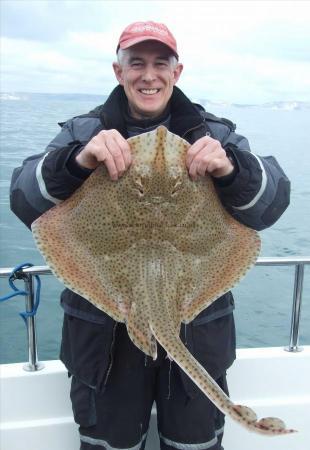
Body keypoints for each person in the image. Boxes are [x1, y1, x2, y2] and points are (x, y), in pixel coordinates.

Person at [10, 21, 290, 450]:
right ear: (118, 71)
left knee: (195, 444)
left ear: (177, 72)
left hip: (199, 328)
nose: (148, 74)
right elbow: (24, 199)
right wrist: (76, 161)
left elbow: (272, 202)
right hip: (102, 343)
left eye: (161, 63)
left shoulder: (218, 136)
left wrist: (232, 168)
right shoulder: (80, 134)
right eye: (136, 62)